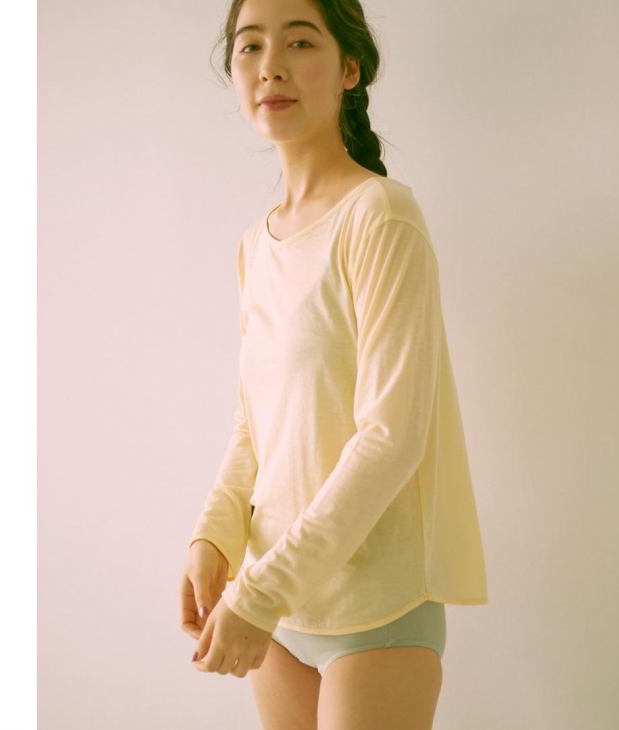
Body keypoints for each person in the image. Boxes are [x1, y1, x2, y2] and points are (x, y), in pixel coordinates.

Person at [179, 0, 489, 727]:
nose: (271, 67)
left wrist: (258, 595)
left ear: (350, 68)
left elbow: (391, 439)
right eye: (250, 46)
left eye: (299, 43)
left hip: (376, 607)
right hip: (275, 605)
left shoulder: (380, 216)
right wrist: (213, 536)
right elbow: (253, 428)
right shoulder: (255, 245)